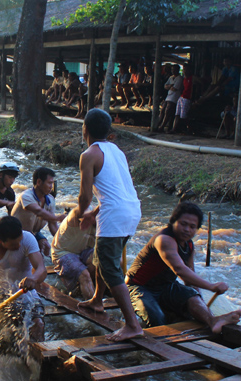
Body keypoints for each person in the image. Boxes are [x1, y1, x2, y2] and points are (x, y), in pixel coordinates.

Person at [74, 108, 143, 342]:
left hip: (114, 215)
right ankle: (97, 300)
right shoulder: (117, 151)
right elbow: (115, 190)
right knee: (102, 259)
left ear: (85, 129)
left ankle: (133, 325)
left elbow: (85, 197)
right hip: (131, 210)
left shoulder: (89, 155)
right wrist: (93, 214)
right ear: (108, 132)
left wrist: (79, 213)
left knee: (110, 268)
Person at [126, 202, 241, 332]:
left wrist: (200, 304)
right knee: (157, 318)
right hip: (138, 287)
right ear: (173, 222)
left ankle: (213, 321)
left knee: (192, 297)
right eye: (183, 224)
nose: (187, 229)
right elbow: (179, 269)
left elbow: (190, 278)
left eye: (192, 227)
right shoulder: (164, 240)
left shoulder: (189, 246)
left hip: (166, 286)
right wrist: (211, 286)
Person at [0, 216, 47, 341]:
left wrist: (33, 279)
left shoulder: (28, 238)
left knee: (39, 324)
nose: (18, 246)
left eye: (19, 241)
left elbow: (41, 269)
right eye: (13, 244)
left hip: (27, 295)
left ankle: (38, 356)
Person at [11, 167, 65, 256]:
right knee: (33, 252)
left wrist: (63, 242)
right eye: (49, 183)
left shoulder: (50, 199)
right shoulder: (26, 196)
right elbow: (38, 211)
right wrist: (58, 218)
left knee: (46, 246)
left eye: (52, 183)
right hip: (16, 234)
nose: (51, 187)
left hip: (33, 233)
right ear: (39, 182)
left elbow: (52, 224)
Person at [51, 209, 96, 300]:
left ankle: (85, 289)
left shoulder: (105, 222)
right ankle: (92, 304)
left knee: (101, 263)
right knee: (84, 275)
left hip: (83, 251)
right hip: (63, 253)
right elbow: (80, 210)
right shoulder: (76, 215)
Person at [158, 64, 183, 132]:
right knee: (162, 110)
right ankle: (158, 124)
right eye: (172, 69)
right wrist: (170, 86)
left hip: (174, 97)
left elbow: (175, 88)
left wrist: (169, 86)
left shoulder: (180, 78)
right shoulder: (171, 77)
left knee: (167, 111)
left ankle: (162, 126)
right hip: (168, 96)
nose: (173, 71)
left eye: (174, 69)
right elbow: (165, 86)